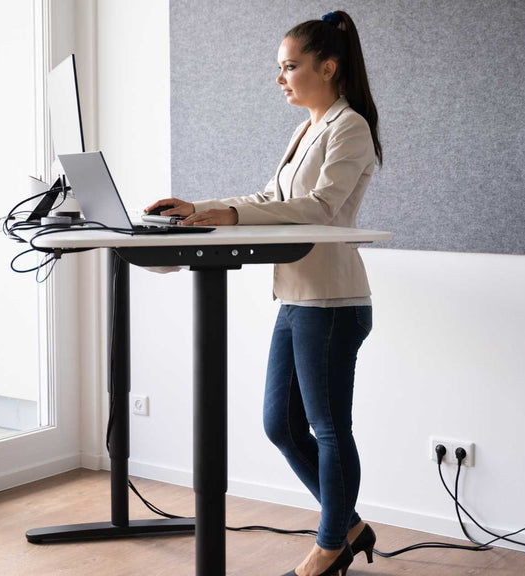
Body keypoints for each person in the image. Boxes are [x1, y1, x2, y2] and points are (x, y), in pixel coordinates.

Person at [145, 10, 382, 576]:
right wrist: (201, 210)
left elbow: (320, 209)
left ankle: (330, 547)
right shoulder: (307, 127)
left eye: (289, 67)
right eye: (280, 68)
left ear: (328, 66)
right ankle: (348, 524)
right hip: (297, 296)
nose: (280, 78)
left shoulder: (349, 127)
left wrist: (225, 214)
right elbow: (268, 195)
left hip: (331, 300)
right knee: (280, 424)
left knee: (328, 428)